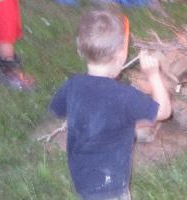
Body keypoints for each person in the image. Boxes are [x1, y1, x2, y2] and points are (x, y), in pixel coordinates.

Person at [50, 10, 172, 200]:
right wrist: (153, 75)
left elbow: (57, 109)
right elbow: (164, 112)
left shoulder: (72, 85)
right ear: (121, 55)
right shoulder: (124, 96)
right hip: (111, 186)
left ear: (80, 49)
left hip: (82, 179)